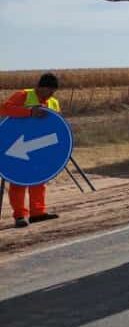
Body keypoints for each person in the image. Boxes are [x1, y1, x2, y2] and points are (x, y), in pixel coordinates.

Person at [2, 73, 62, 228]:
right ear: (41, 87)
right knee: (19, 181)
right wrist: (29, 112)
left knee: (39, 179)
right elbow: (4, 109)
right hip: (16, 145)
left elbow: (58, 125)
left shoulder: (53, 102)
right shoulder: (24, 95)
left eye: (53, 91)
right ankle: (20, 216)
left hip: (40, 147)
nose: (51, 94)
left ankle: (37, 213)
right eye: (50, 90)